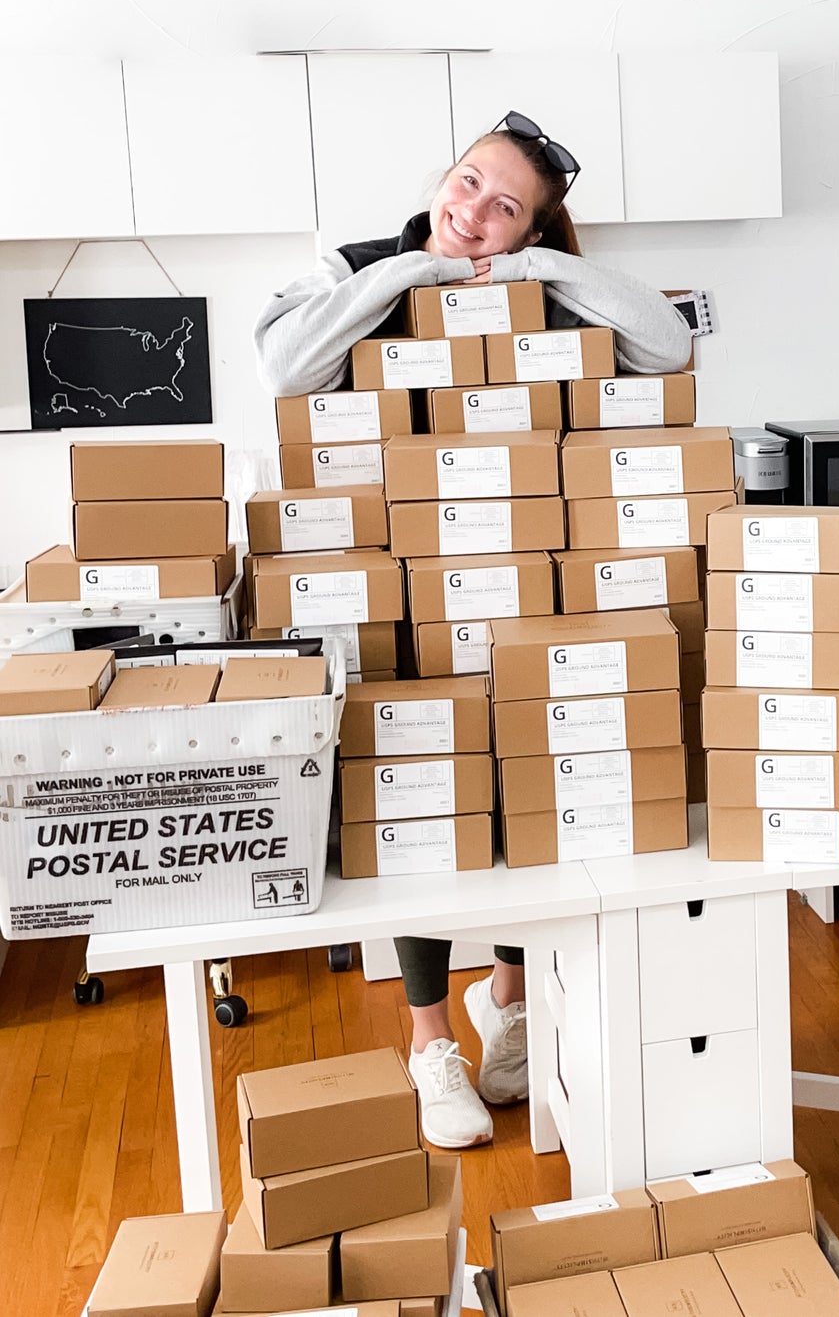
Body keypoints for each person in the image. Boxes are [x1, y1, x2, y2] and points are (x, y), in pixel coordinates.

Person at [255, 113, 692, 1151]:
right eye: (468, 184)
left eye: (508, 207)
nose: (476, 213)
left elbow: (670, 343)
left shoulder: (550, 279)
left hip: (526, 568)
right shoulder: (355, 264)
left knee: (519, 779)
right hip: (388, 574)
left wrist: (529, 266)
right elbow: (286, 369)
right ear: (441, 177)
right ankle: (428, 1037)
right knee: (418, 792)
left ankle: (506, 997)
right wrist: (421, 270)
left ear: (536, 227)